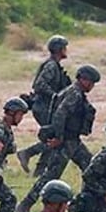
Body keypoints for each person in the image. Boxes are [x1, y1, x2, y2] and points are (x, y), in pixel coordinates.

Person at [16, 65, 99, 212]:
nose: (92, 86)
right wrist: (59, 137)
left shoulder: (74, 92)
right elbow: (60, 114)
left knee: (90, 168)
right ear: (83, 79)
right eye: (91, 82)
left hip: (73, 141)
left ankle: (85, 205)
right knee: (50, 176)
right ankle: (24, 205)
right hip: (66, 141)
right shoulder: (74, 93)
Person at [16, 35, 71, 175]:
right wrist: (54, 95)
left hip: (47, 107)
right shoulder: (51, 65)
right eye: (64, 48)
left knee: (51, 138)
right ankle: (27, 153)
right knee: (55, 138)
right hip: (43, 107)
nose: (66, 50)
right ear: (59, 49)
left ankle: (39, 171)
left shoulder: (55, 65)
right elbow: (39, 85)